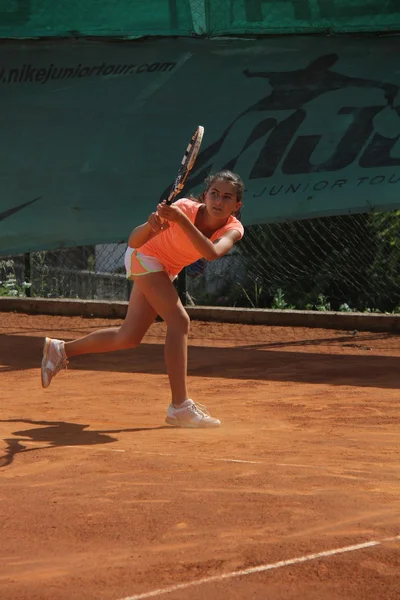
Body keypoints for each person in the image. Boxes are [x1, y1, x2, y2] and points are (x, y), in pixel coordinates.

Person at [41, 170, 245, 428]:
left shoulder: (233, 228)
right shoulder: (183, 207)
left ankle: (60, 350)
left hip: (165, 270)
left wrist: (182, 222)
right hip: (144, 258)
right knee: (180, 321)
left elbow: (213, 252)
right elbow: (134, 242)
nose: (219, 200)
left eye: (227, 197)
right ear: (204, 196)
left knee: (128, 337)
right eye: (214, 194)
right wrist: (151, 225)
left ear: (236, 206)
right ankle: (179, 407)